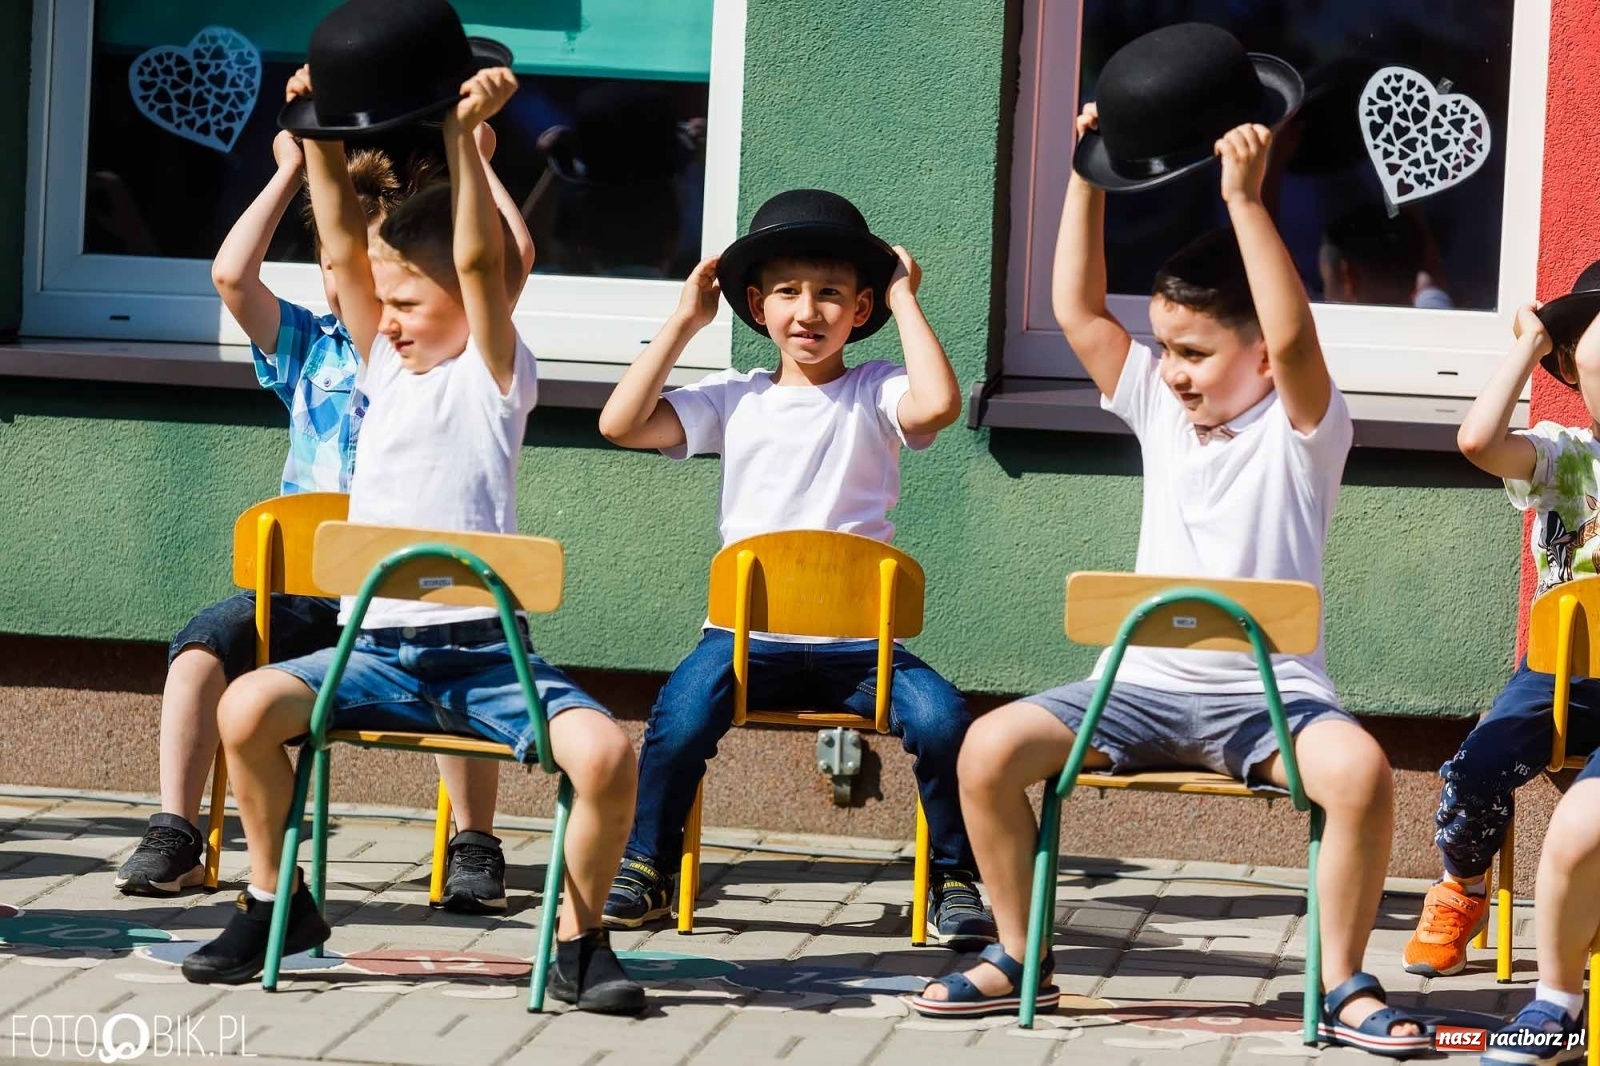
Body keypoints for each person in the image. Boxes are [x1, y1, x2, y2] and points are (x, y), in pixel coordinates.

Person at [911, 107, 1430, 1059]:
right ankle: (1019, 954)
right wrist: (1087, 175)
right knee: (985, 751)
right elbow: (1078, 312)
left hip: (1270, 702)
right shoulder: (1157, 404)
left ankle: (1344, 984)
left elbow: (1298, 341)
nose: (1173, 372)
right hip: (1134, 692)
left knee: (1359, 773)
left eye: (1195, 353)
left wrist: (1244, 201)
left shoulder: (1304, 430)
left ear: (1259, 354)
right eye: (1165, 349)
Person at [180, 65, 645, 1015]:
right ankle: (276, 903)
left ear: (473, 306)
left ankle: (580, 941)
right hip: (373, 653)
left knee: (604, 757)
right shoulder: (381, 368)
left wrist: (467, 146)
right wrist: (314, 126)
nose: (384, 322)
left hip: (486, 661)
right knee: (246, 709)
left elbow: (478, 262)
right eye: (382, 304)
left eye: (408, 305)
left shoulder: (494, 377)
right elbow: (342, 248)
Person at [116, 122, 535, 917]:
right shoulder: (311, 347)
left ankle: (473, 842)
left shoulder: (445, 364)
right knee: (202, 649)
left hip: (408, 596)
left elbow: (508, 264)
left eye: (382, 274)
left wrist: (478, 165)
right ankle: (176, 831)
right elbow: (231, 275)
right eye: (344, 267)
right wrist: (290, 171)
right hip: (306, 594)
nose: (359, 285)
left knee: (452, 651)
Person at [595, 188, 993, 947]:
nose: (809, 311)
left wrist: (906, 297)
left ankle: (953, 879)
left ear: (861, 307)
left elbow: (939, 404)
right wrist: (684, 321)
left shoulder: (877, 390)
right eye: (787, 292)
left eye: (832, 294)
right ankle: (648, 864)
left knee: (945, 722)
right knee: (678, 722)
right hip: (745, 641)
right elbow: (620, 423)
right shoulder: (733, 398)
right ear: (757, 304)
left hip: (862, 649)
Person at [1411, 279, 1600, 1064]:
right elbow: (1478, 441)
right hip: (1560, 675)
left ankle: (1563, 981)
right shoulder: (1567, 456)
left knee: (1582, 824)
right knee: (1475, 767)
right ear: (1575, 367)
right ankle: (1462, 885)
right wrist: (1530, 343)